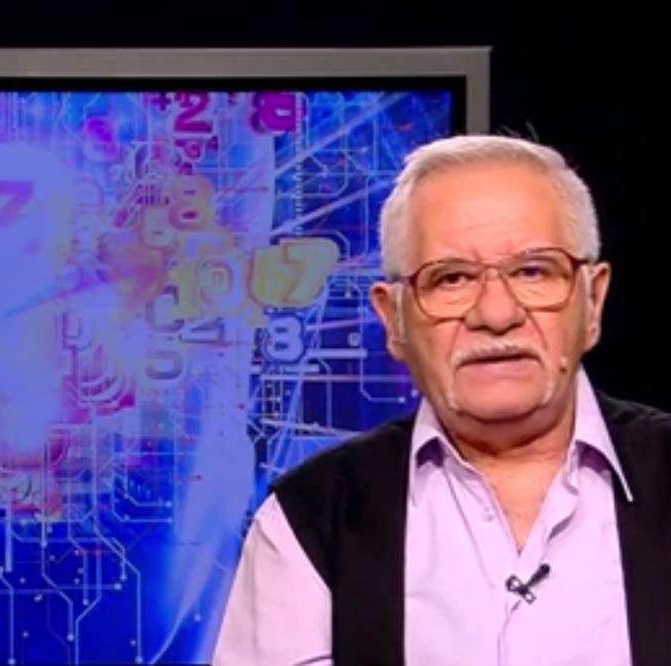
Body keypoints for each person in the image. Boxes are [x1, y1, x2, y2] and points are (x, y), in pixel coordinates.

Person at [211, 134, 671, 666]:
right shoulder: (309, 520)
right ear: (393, 319)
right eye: (450, 279)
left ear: (592, 300)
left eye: (533, 271)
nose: (496, 314)